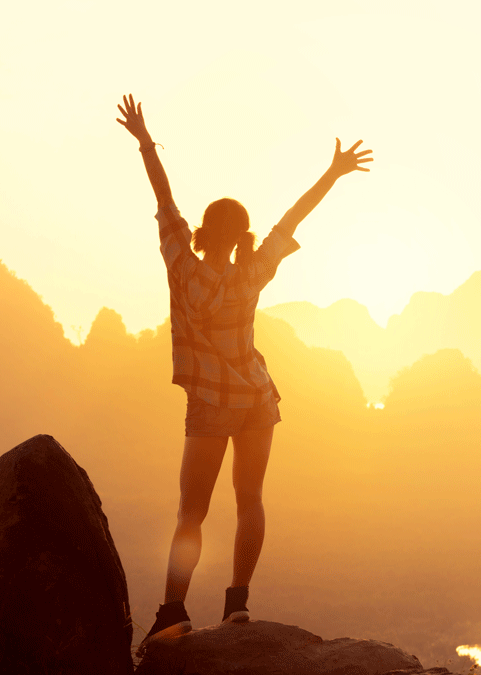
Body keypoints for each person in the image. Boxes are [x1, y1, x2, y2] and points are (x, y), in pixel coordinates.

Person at [115, 94, 373, 644]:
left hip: (211, 404)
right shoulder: (253, 272)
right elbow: (293, 218)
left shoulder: (182, 264)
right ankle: (237, 603)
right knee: (250, 500)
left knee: (191, 513)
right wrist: (333, 172)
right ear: (242, 236)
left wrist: (144, 142)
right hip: (258, 398)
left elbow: (165, 199)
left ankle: (174, 611)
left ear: (205, 232)